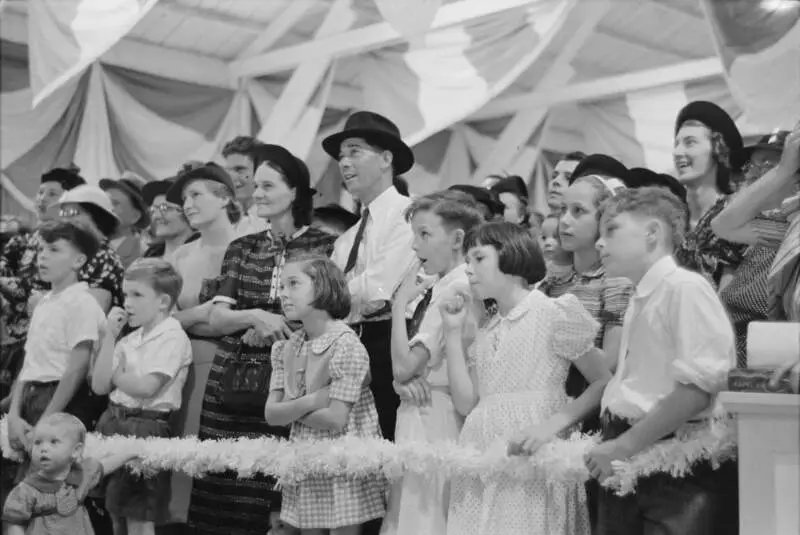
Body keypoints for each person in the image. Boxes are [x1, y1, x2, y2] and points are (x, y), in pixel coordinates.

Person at [188, 145, 336, 535]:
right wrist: (254, 316)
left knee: (280, 494)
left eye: (268, 185)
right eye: (255, 186)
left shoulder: (325, 246)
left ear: (296, 191)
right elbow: (218, 317)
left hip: (294, 380)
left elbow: (333, 313)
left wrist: (281, 326)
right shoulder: (242, 247)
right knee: (222, 486)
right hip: (231, 384)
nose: (257, 194)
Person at [441, 222, 610, 535]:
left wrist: (552, 425)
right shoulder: (488, 327)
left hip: (531, 452)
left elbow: (602, 380)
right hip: (483, 448)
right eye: (467, 261)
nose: (468, 269)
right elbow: (467, 403)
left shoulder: (553, 312)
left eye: (478, 259)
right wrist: (452, 334)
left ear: (510, 256)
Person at [588, 187, 738, 535]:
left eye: (611, 230)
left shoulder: (684, 288)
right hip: (627, 450)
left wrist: (625, 444)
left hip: (674, 463)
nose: (599, 243)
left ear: (652, 233)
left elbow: (699, 389)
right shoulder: (640, 295)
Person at [381, 191, 483, 535]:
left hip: (435, 412)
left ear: (457, 239)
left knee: (423, 513)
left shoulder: (456, 286)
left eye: (424, 234)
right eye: (414, 235)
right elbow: (405, 374)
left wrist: (397, 308)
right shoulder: (446, 283)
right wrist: (402, 381)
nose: (414, 246)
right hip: (428, 404)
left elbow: (405, 365)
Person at [265, 256, 385, 534]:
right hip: (305, 454)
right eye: (282, 285)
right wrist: (314, 398)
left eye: (293, 284)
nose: (284, 293)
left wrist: (292, 408)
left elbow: (335, 418)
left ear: (322, 287)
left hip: (343, 460)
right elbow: (271, 414)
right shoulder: (287, 348)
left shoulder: (346, 346)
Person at [2, 222, 110, 532]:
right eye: (40, 250)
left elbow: (76, 368)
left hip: (61, 400)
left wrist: (45, 424)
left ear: (78, 261)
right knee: (24, 495)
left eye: (54, 250)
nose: (42, 257)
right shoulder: (44, 302)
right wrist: (13, 412)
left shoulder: (82, 303)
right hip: (33, 396)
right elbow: (30, 362)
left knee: (57, 496)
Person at [322, 111, 417, 443]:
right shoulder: (346, 238)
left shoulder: (410, 216)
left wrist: (328, 299)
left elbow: (377, 290)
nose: (344, 163)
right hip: (349, 345)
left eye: (355, 151)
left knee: (388, 442)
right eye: (341, 156)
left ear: (386, 158)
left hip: (389, 343)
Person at [162, 162, 240, 526]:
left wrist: (201, 317)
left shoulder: (248, 246)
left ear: (224, 197)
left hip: (235, 362)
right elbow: (161, 319)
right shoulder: (180, 256)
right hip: (186, 362)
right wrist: (198, 315)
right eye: (184, 198)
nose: (188, 204)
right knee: (183, 454)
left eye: (196, 195)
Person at [91, 259, 192, 535]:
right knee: (114, 511)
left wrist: (118, 376)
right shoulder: (128, 339)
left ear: (163, 301)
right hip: (112, 419)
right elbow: (100, 386)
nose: (128, 303)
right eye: (125, 294)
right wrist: (109, 337)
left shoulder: (172, 336)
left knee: (137, 513)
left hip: (144, 426)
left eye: (137, 295)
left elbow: (147, 387)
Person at [2, 413, 141, 535]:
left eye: (54, 442)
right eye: (38, 443)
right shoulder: (26, 490)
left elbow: (103, 466)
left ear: (76, 451)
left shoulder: (81, 474)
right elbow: (14, 524)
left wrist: (130, 453)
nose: (43, 449)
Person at [672, 100, 747, 290]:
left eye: (690, 142)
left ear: (718, 147)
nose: (678, 152)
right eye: (677, 143)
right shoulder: (672, 219)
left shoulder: (736, 214)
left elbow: (725, 305)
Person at [140, 173, 199, 259]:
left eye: (164, 208)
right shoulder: (149, 256)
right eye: (153, 209)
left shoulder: (206, 253)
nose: (156, 216)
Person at [222, 135, 271, 237]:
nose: (231, 177)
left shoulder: (279, 221)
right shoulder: (221, 224)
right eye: (227, 171)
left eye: (239, 169)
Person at [100, 172, 150, 268]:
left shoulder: (142, 254)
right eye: (103, 201)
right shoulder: (89, 243)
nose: (104, 208)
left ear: (135, 216)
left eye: (115, 203)